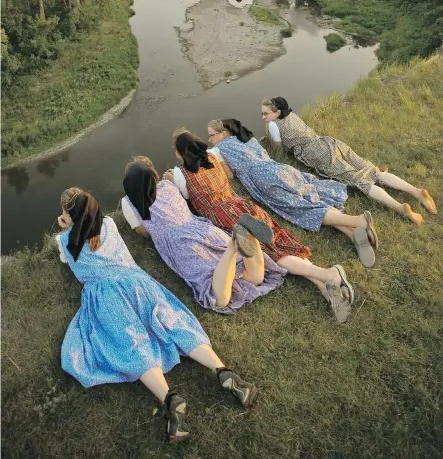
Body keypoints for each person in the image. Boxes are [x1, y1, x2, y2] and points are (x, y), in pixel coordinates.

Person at [56, 187, 257, 443]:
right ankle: (224, 372)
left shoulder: (64, 241)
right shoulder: (107, 224)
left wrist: (65, 224)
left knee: (130, 341)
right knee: (173, 321)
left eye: (64, 210)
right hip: (137, 283)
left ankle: (170, 399)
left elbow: (68, 256)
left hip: (105, 295)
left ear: (69, 214)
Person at [167, 128, 355, 323]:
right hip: (242, 205)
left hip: (222, 216)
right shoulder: (213, 156)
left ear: (179, 153)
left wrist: (170, 180)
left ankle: (328, 273)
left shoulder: (181, 175)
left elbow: (185, 200)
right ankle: (324, 286)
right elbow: (228, 176)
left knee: (273, 254)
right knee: (279, 243)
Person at [121, 157, 288, 315]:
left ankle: (233, 247)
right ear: (153, 175)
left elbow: (143, 233)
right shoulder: (168, 185)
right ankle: (248, 235)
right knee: (256, 278)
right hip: (201, 228)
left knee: (220, 298)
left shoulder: (130, 202)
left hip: (181, 244)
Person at [207, 119, 379, 269]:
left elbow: (229, 175)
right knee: (309, 200)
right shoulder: (246, 138)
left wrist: (221, 163)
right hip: (280, 169)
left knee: (302, 209)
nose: (210, 140)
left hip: (264, 181)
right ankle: (352, 233)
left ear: (224, 133)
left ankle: (357, 220)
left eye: (212, 135)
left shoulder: (219, 149)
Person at [261, 97, 437, 225]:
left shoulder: (273, 124)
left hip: (318, 154)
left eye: (265, 113)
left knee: (359, 180)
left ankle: (399, 207)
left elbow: (277, 147)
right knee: (373, 171)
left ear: (277, 112)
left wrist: (271, 138)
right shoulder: (291, 115)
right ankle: (417, 192)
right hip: (329, 142)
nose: (263, 117)